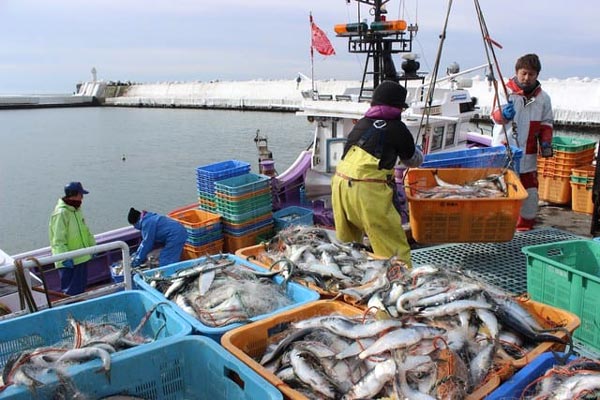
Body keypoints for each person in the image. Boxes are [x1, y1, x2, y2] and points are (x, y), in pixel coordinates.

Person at [331, 80, 423, 267]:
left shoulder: (362, 124)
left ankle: (352, 279)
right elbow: (412, 160)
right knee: (393, 251)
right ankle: (401, 285)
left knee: (349, 249)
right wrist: (419, 151)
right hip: (367, 192)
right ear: (398, 107)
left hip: (340, 187)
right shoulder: (398, 128)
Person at [491, 53, 554, 232]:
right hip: (504, 152)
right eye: (523, 73)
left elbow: (546, 123)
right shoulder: (504, 91)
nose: (527, 78)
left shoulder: (543, 98)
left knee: (531, 195)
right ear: (517, 72)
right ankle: (499, 229)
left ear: (537, 75)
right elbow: (495, 117)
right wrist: (503, 115)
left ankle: (524, 230)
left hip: (528, 156)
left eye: (531, 74)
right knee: (503, 193)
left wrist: (546, 142)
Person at [48, 181, 96, 295]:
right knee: (70, 293)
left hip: (82, 257)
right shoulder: (61, 213)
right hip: (69, 262)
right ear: (75, 194)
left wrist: (93, 247)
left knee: (80, 290)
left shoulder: (77, 211)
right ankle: (70, 312)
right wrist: (64, 258)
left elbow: (86, 231)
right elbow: (58, 240)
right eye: (81, 195)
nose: (82, 198)